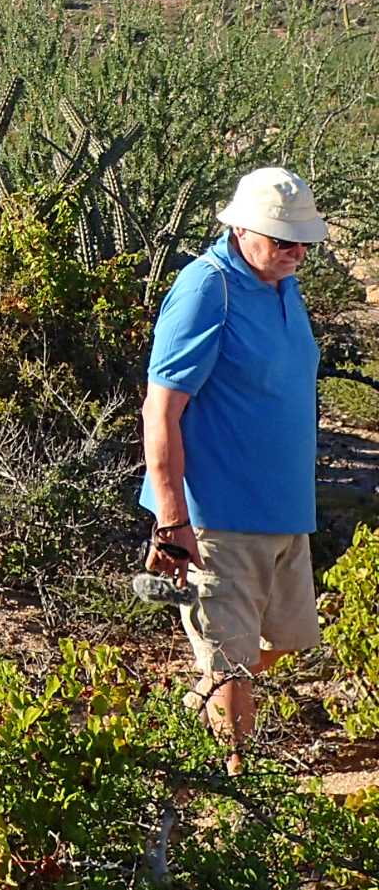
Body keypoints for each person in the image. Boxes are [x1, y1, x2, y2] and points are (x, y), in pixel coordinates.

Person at [140, 166, 326, 773]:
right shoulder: (207, 288)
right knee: (229, 664)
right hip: (217, 515)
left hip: (284, 509)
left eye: (302, 241)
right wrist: (172, 520)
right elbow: (161, 409)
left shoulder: (282, 285)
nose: (296, 252)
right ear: (241, 229)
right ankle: (237, 793)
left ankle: (171, 729)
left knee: (286, 641)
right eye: (282, 239)